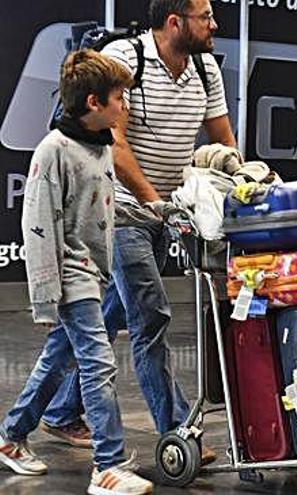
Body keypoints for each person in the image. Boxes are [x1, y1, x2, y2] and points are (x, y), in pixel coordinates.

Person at [39, 0, 235, 459]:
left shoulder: (206, 69)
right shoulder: (130, 59)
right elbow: (117, 145)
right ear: (175, 22)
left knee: (108, 316)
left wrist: (241, 181)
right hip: (123, 210)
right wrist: (156, 203)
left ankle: (59, 410)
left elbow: (224, 140)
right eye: (204, 16)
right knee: (150, 314)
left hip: (166, 214)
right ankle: (177, 433)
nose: (213, 24)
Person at [0, 49, 153, 495]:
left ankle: (11, 436)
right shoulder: (54, 151)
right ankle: (106, 466)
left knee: (58, 359)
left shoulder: (100, 143)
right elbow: (38, 227)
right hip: (70, 276)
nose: (124, 106)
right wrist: (45, 296)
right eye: (119, 98)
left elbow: (102, 213)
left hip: (93, 271)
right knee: (99, 363)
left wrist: (158, 211)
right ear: (93, 102)